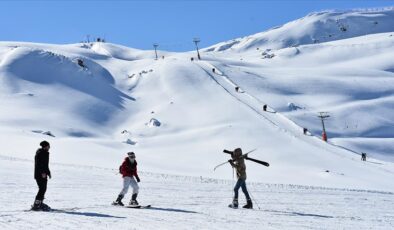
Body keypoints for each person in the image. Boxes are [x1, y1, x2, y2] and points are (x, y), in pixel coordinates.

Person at [32, 141, 52, 211]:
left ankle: (40, 203)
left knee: (43, 189)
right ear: (45, 146)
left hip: (44, 174)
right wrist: (42, 172)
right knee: (42, 189)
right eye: (48, 146)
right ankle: (37, 204)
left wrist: (48, 172)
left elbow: (45, 165)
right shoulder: (40, 153)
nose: (49, 147)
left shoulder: (45, 153)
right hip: (39, 174)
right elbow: (39, 164)